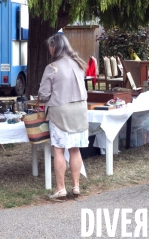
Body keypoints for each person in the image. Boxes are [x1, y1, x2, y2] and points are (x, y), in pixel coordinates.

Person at [38, 33, 88, 202]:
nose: (49, 49)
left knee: (58, 149)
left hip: (61, 111)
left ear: (55, 47)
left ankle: (60, 189)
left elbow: (44, 94)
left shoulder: (53, 67)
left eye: (50, 46)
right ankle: (76, 186)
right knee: (75, 149)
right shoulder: (79, 64)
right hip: (80, 110)